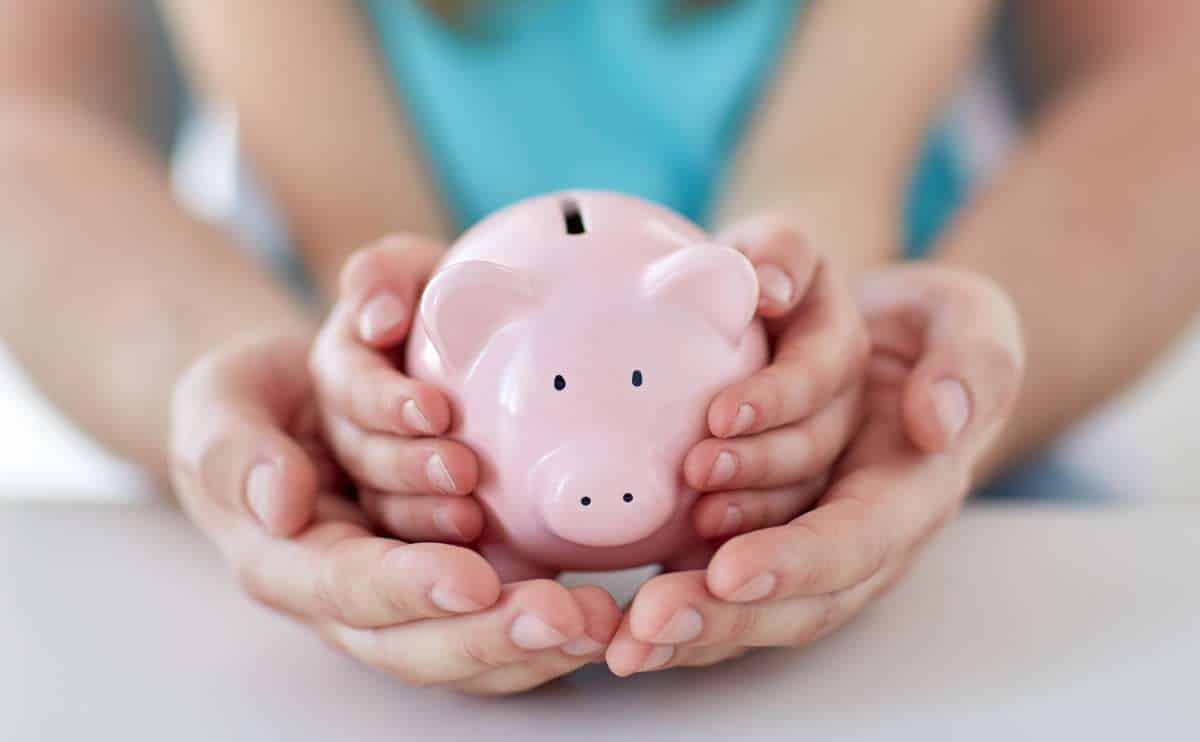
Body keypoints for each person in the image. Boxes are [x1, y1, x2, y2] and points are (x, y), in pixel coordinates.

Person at [0, 1, 1196, 695]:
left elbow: (1168, 74)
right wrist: (228, 377)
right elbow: (28, 117)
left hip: (943, 520)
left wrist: (951, 371)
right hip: (321, 522)